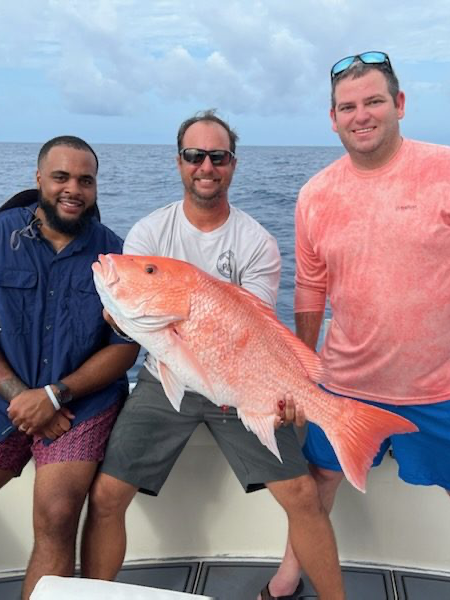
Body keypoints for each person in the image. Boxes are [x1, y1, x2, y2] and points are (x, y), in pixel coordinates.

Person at [81, 110, 346, 600]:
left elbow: (258, 334)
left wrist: (286, 393)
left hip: (240, 382)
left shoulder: (257, 243)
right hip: (167, 377)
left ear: (232, 164)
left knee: (303, 495)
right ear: (179, 162)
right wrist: (120, 314)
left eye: (217, 156)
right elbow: (128, 314)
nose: (206, 165)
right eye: (194, 155)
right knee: (105, 497)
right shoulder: (148, 234)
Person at [271, 50, 450, 595]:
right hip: (345, 383)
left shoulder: (443, 169)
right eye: (347, 106)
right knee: (319, 482)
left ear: (398, 104)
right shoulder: (314, 195)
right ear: (332, 118)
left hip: (438, 384)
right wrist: (300, 373)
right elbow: (310, 289)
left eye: (374, 101)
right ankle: (287, 575)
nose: (361, 115)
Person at [0, 136, 140, 600]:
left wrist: (55, 394)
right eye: (61, 177)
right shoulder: (2, 236)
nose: (73, 188)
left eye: (85, 180)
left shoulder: (114, 255)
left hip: (81, 401)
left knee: (58, 513)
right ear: (39, 178)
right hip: (8, 391)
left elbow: (124, 347)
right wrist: (23, 395)